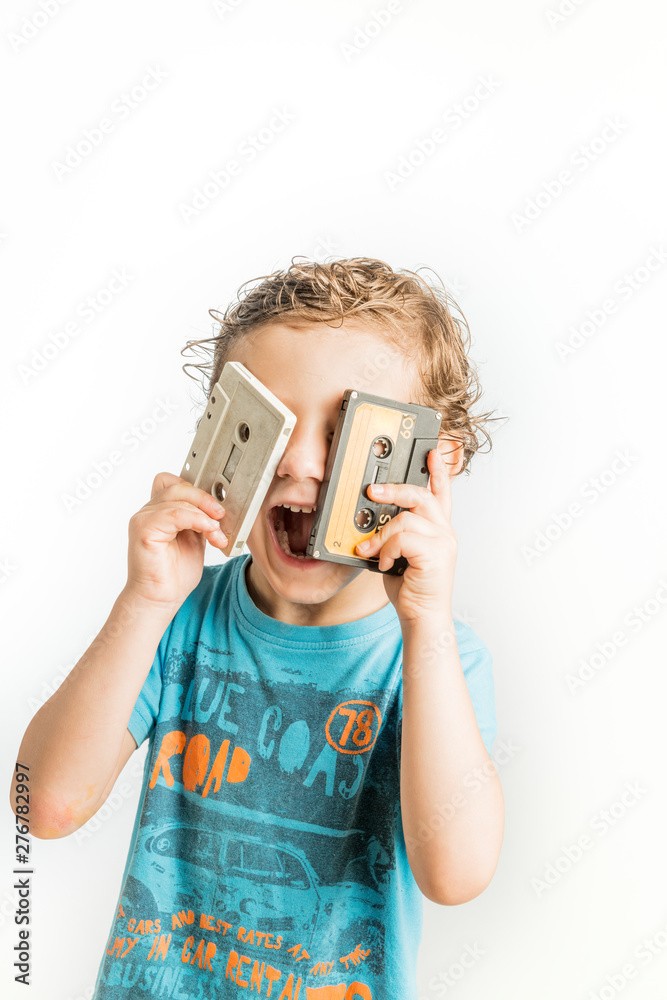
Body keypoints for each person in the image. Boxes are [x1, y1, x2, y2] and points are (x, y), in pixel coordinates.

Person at [11, 256, 505, 999]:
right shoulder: (179, 616)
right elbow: (38, 806)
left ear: (432, 466)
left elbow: (455, 875)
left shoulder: (436, 658)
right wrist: (145, 601)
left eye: (346, 433)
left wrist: (425, 621)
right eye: (271, 423)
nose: (300, 462)